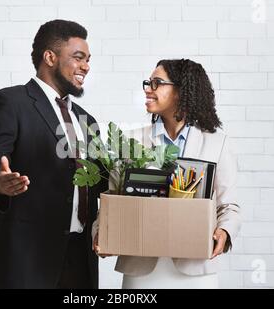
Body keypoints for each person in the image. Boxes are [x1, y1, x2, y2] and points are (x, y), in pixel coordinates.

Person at [0, 19, 107, 289]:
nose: (86, 67)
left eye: (88, 60)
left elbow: (101, 180)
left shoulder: (86, 119)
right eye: (78, 58)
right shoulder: (10, 102)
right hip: (27, 258)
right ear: (50, 57)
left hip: (80, 258)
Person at [93, 59, 241, 289]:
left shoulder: (216, 144)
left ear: (181, 91)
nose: (148, 89)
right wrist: (101, 233)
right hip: (141, 268)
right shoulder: (130, 142)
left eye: (157, 83)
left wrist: (224, 231)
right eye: (148, 83)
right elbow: (111, 199)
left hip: (195, 268)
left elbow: (228, 205)